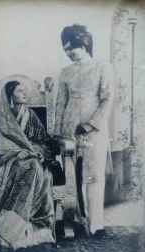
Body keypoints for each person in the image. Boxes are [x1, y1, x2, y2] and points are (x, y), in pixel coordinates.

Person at [54, 24, 114, 240]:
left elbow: (107, 100)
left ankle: (96, 225)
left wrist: (90, 125)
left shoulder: (102, 66)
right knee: (72, 175)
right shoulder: (66, 72)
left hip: (94, 130)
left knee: (93, 175)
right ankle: (75, 221)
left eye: (71, 48)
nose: (68, 53)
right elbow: (60, 104)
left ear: (84, 44)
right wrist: (58, 133)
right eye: (65, 50)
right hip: (70, 130)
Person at [0, 81, 55, 250]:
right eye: (20, 91)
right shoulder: (2, 117)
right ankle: (9, 230)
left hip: (32, 158)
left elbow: (44, 141)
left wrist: (39, 152)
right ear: (10, 96)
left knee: (35, 165)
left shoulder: (30, 115)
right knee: (31, 166)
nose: (24, 93)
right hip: (9, 162)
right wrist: (16, 152)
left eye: (25, 90)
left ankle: (18, 229)